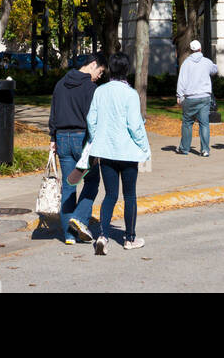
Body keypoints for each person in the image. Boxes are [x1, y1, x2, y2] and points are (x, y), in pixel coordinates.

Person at [86, 52, 151, 254]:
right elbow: (135, 125)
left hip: (106, 151)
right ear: (126, 70)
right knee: (129, 194)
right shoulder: (130, 94)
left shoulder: (100, 91)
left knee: (110, 195)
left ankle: (103, 236)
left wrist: (98, 138)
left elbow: (91, 120)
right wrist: (144, 148)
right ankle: (129, 238)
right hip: (128, 152)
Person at [48, 52, 107, 245]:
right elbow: (94, 118)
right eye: (100, 71)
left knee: (69, 185)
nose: (100, 76)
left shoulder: (59, 84)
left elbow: (53, 113)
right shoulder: (91, 88)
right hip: (82, 140)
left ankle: (68, 235)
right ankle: (80, 218)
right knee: (91, 181)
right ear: (93, 64)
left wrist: (52, 137)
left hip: (62, 138)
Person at [176, 39, 218, 157]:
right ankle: (205, 150)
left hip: (190, 97)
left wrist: (179, 95)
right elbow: (215, 70)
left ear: (191, 50)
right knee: (204, 123)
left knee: (187, 123)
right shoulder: (206, 62)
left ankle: (184, 148)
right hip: (204, 96)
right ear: (200, 49)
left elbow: (181, 81)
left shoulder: (186, 63)